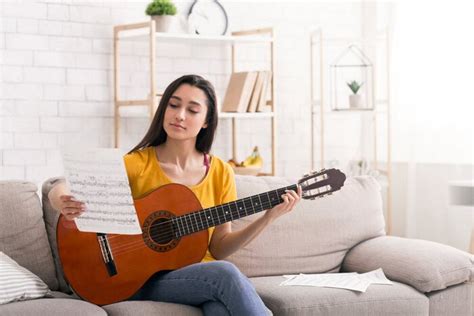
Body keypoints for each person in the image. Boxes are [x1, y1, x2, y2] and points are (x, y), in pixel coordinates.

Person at [48, 74, 302, 315]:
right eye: (173, 105)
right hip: (138, 278)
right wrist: (60, 199)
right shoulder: (138, 163)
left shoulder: (220, 171)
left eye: (192, 110)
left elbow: (220, 248)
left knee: (220, 309)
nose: (179, 115)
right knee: (225, 274)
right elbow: (63, 185)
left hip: (198, 276)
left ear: (206, 121)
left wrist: (267, 217)